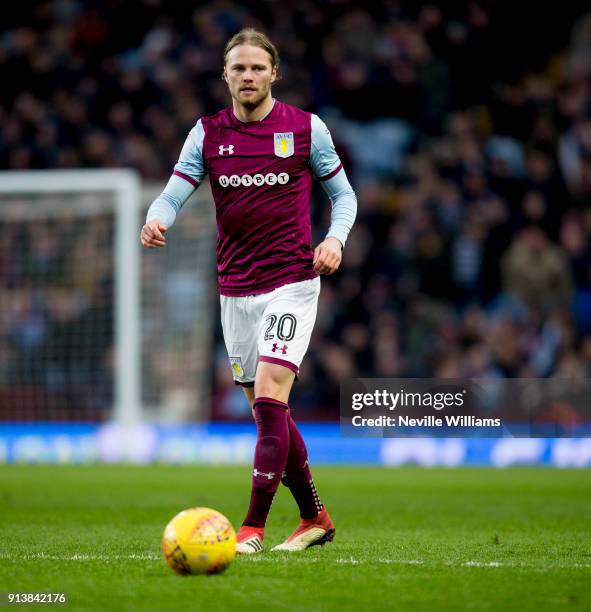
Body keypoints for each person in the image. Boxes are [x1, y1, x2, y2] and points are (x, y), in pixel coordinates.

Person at [141, 28, 357, 554]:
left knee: (271, 394)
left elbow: (344, 195)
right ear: (226, 75)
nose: (248, 76)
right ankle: (314, 517)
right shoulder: (207, 133)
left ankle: (252, 529)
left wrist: (334, 239)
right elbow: (173, 193)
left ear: (273, 73)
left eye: (258, 68)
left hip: (293, 282)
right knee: (268, 413)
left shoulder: (307, 129)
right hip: (235, 289)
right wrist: (155, 218)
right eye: (239, 68)